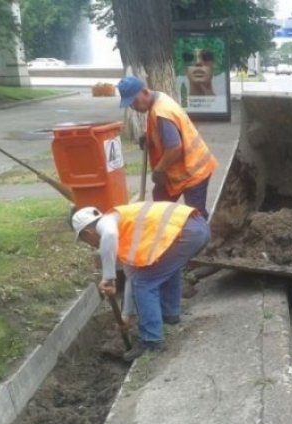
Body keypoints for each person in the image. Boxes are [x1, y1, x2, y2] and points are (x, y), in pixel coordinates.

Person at [72, 201, 210, 361]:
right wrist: (126, 316)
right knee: (162, 271)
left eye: (86, 242)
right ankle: (170, 315)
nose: (91, 246)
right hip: (197, 228)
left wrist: (108, 277)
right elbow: (132, 277)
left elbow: (109, 237)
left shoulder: (107, 224)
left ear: (88, 233)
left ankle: (152, 341)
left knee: (144, 284)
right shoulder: (124, 227)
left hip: (186, 233)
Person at [117, 76, 217, 218]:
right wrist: (149, 135)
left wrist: (159, 169)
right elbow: (166, 132)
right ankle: (165, 232)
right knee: (160, 200)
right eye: (130, 105)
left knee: (195, 215)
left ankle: (204, 237)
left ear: (145, 92)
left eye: (134, 102)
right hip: (179, 170)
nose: (133, 107)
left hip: (194, 171)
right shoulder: (159, 99)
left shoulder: (161, 112)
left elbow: (174, 148)